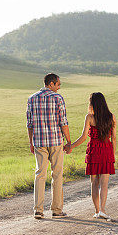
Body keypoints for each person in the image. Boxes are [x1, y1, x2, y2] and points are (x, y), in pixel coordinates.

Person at [26, 73, 72, 219]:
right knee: (57, 175)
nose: (59, 87)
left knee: (40, 174)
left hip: (39, 142)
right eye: (58, 84)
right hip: (56, 141)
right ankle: (57, 210)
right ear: (51, 84)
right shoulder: (58, 98)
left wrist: (31, 142)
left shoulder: (32, 98)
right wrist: (69, 141)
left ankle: (38, 210)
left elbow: (29, 123)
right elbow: (63, 121)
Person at [69, 92, 116, 220]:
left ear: (92, 104)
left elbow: (84, 137)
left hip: (94, 151)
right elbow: (114, 138)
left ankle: (96, 211)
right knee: (104, 184)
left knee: (94, 183)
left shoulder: (89, 117)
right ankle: (103, 210)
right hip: (107, 151)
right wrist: (113, 155)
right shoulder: (111, 117)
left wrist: (71, 146)